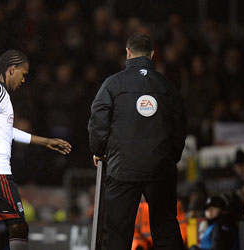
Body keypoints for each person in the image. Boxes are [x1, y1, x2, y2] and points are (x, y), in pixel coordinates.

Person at [0, 50, 72, 250]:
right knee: (19, 226)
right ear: (11, 69)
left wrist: (44, 141)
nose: (24, 79)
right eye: (23, 74)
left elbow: (6, 131)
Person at [88, 32, 186, 250]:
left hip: (122, 168)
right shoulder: (167, 86)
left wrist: (99, 150)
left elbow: (98, 119)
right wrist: (171, 157)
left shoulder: (112, 84)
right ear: (152, 54)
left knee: (118, 233)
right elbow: (180, 127)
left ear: (127, 53)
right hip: (160, 168)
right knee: (166, 229)